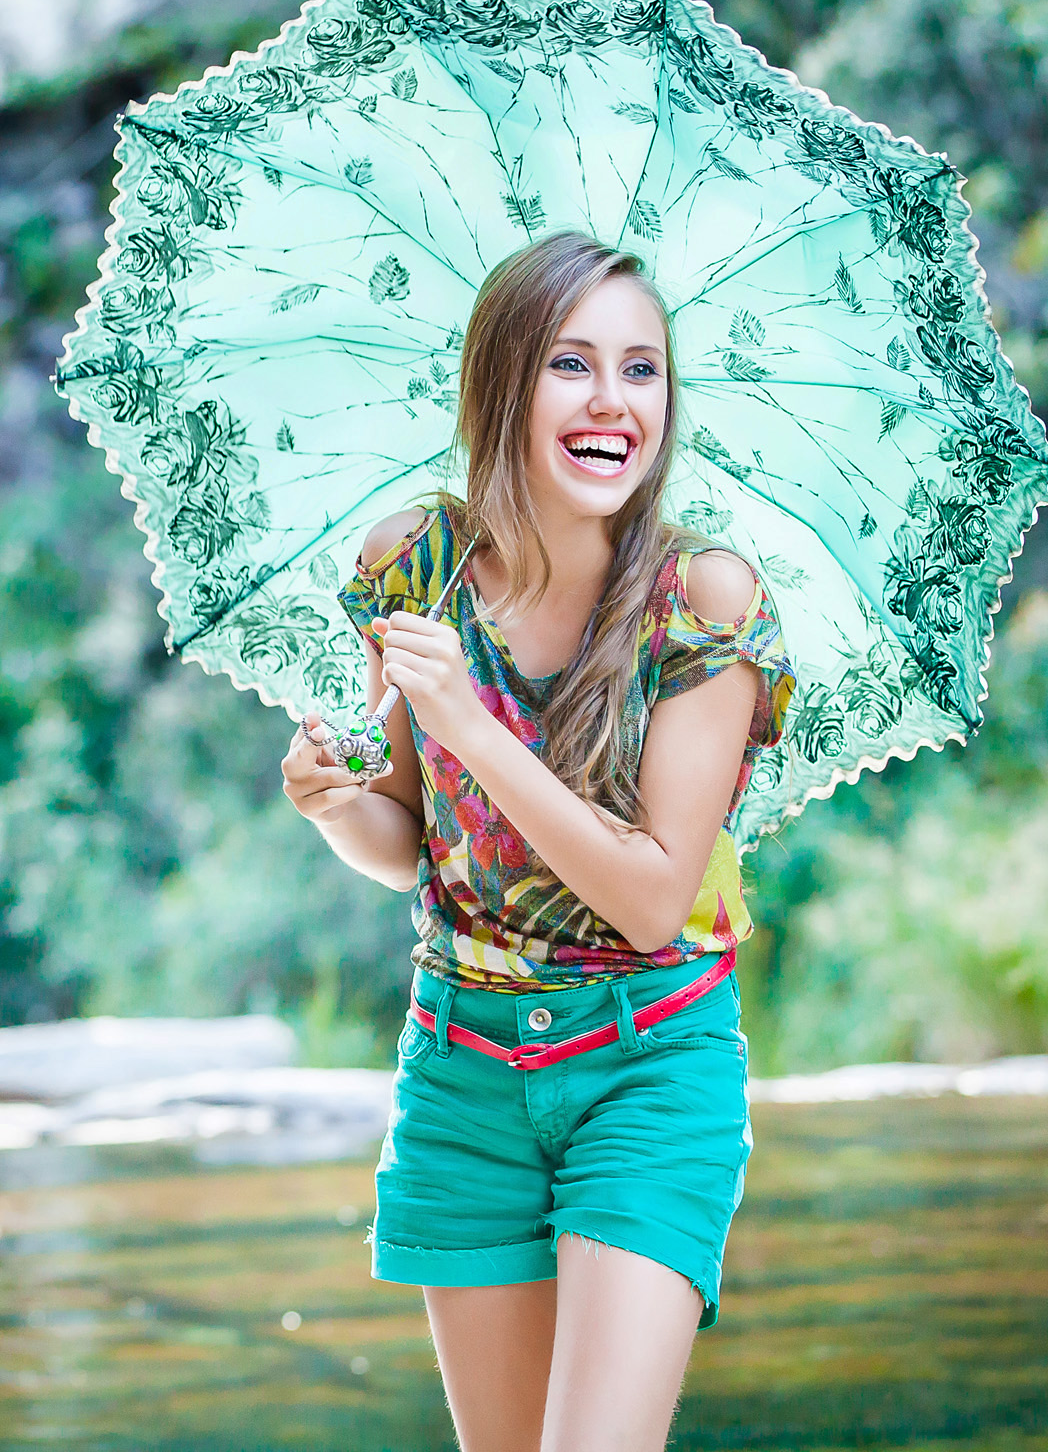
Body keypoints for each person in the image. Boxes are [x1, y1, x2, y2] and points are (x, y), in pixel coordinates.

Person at [281, 231, 795, 1452]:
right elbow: (417, 846)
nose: (615, 401)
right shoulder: (417, 565)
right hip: (462, 1067)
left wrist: (468, 719)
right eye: (573, 364)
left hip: (647, 1063)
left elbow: (656, 897)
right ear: (503, 382)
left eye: (643, 370)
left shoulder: (704, 598)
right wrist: (336, 802)